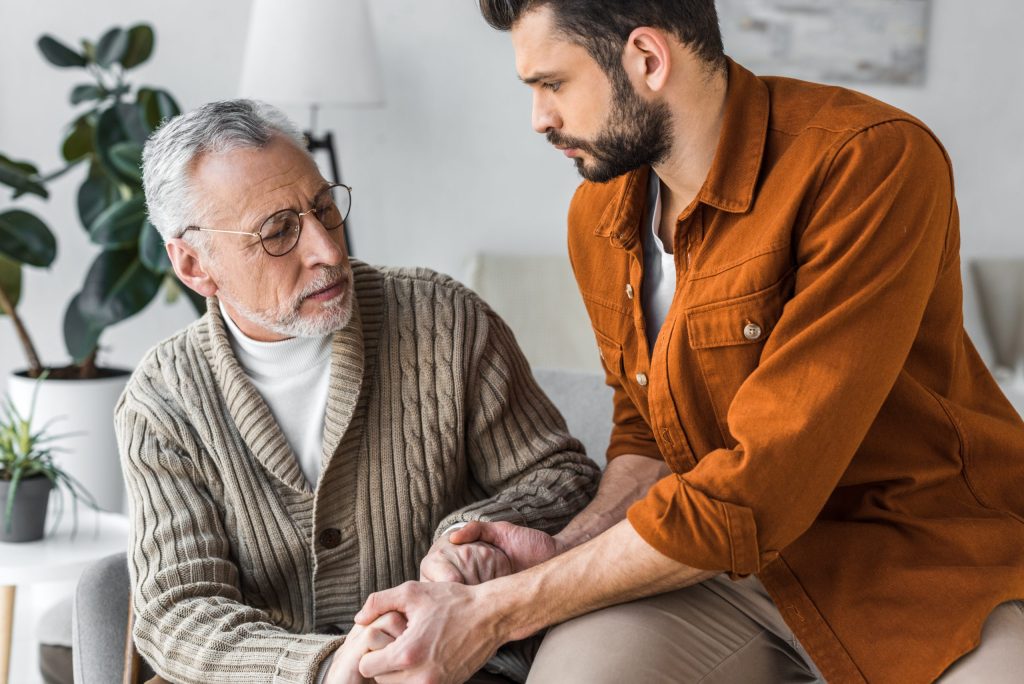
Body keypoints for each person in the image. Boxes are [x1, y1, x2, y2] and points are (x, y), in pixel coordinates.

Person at [350, 2, 1024, 683]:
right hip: (715, 573)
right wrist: (561, 549)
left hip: (925, 564)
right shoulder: (599, 214)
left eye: (551, 84)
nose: (539, 119)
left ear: (647, 59)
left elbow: (761, 489)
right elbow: (649, 443)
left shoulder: (867, 160)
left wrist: (494, 611)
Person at [116, 99, 600, 684]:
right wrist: (323, 666)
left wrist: (472, 536)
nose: (327, 249)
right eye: (278, 233)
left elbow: (562, 479)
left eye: (324, 209)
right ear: (194, 265)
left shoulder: (446, 320)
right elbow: (177, 611)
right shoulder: (162, 402)